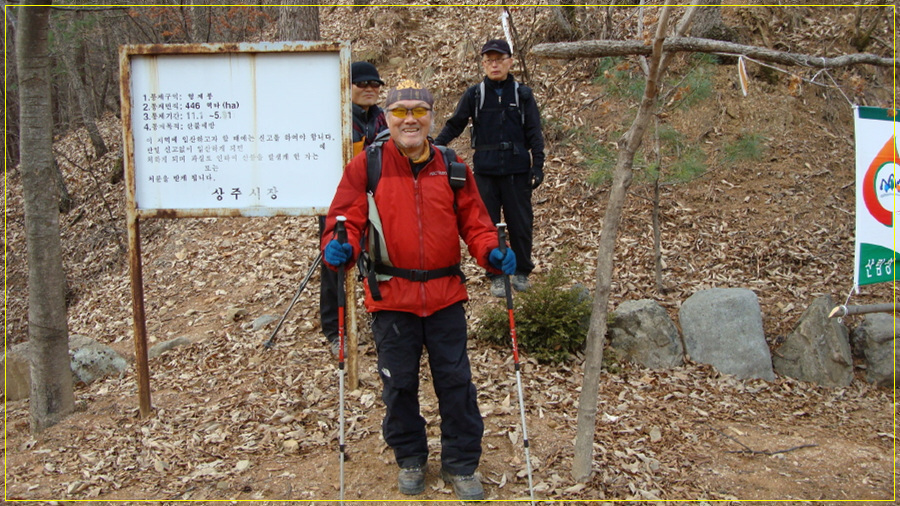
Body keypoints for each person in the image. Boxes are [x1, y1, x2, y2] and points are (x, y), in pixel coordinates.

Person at [320, 80, 516, 501]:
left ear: (431, 116)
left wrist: (491, 253)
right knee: (399, 384)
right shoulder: (366, 166)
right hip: (391, 297)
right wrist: (341, 248)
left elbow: (477, 223)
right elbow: (345, 221)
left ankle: (461, 463)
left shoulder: (452, 164)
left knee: (456, 382)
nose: (410, 119)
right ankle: (410, 458)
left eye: (419, 110)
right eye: (401, 111)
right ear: (387, 118)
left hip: (446, 295)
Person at [435, 39, 545, 298]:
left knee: (520, 223)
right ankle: (495, 273)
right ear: (483, 64)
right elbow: (455, 124)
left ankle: (521, 271)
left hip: (518, 170)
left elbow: (534, 133)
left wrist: (538, 166)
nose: (494, 65)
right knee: (488, 225)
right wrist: (434, 147)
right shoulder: (475, 94)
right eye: (489, 60)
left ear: (510, 61)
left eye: (499, 59)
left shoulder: (523, 94)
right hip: (485, 172)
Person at [320, 61, 388, 356]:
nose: (370, 89)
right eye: (363, 84)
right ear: (347, 87)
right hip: (341, 199)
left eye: (375, 85)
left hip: (379, 200)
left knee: (380, 258)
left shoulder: (383, 119)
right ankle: (336, 329)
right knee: (335, 261)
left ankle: (383, 319)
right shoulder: (334, 119)